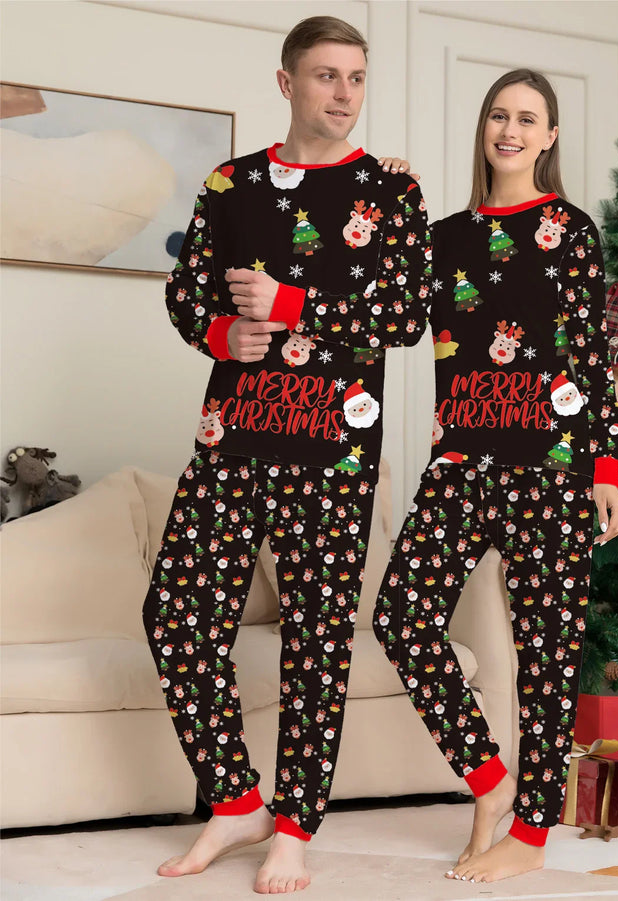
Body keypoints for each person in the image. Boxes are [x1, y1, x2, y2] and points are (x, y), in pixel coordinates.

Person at [142, 15, 431, 896]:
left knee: (318, 644)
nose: (343, 93)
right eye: (325, 76)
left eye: (355, 76)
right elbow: (186, 293)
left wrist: (293, 301)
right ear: (286, 84)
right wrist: (228, 329)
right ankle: (234, 798)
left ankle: (294, 827)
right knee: (175, 615)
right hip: (233, 443)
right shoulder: (229, 184)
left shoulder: (391, 190)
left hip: (335, 456)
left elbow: (406, 315)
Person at [371, 69, 618, 884]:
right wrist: (397, 219)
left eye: (528, 119)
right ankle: (489, 777)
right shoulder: (445, 237)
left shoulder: (571, 231)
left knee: (547, 653)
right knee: (401, 617)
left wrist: (605, 470)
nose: (509, 130)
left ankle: (529, 831)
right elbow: (398, 321)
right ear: (484, 128)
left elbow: (592, 359)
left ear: (549, 138)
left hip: (551, 470)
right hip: (461, 464)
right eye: (498, 115)